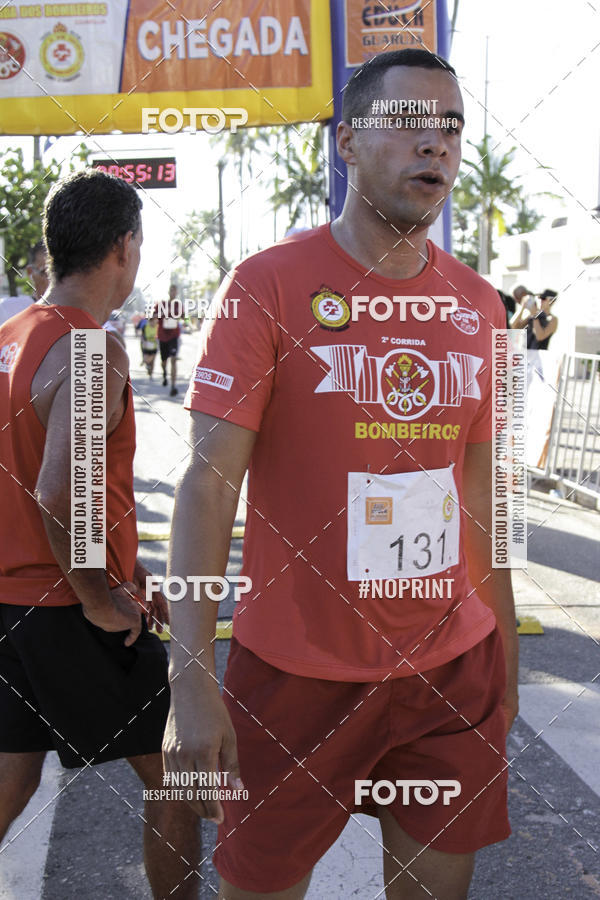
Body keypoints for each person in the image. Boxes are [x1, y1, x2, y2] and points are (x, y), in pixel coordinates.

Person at [164, 49, 518, 900]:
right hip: (292, 677)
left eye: (451, 126)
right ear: (347, 144)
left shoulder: (480, 308)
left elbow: (481, 494)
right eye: (407, 123)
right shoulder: (267, 289)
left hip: (447, 672)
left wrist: (501, 655)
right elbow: (208, 487)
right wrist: (190, 682)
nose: (434, 143)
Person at [0, 170, 199, 898]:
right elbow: (58, 492)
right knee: (177, 776)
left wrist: (129, 568)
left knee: (12, 774)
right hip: (64, 609)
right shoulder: (91, 348)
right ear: (123, 246)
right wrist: (98, 595)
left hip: (10, 608)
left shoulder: (10, 339)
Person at [0, 241, 49, 325]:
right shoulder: (6, 310)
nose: (56, 280)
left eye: (65, 273)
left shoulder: (76, 316)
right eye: (46, 272)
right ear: (30, 272)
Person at [156, 284, 181, 396]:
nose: (173, 293)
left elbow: (185, 317)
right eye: (171, 290)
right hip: (162, 336)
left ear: (177, 293)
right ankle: (165, 374)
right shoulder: (161, 304)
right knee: (164, 361)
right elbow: (152, 316)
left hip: (174, 335)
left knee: (174, 359)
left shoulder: (178, 305)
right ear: (168, 291)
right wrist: (163, 314)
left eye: (175, 291)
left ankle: (173, 386)